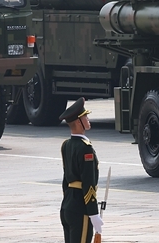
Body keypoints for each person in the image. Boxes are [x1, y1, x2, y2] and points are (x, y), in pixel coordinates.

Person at [59, 97, 103, 243]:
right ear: (79, 122)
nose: (88, 119)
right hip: (80, 208)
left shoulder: (66, 145)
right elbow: (88, 183)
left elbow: (66, 181)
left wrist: (67, 202)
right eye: (85, 117)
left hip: (67, 206)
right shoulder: (85, 148)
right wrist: (93, 213)